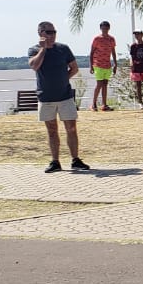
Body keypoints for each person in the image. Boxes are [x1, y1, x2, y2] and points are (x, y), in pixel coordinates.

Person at [27, 21, 90, 173]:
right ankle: (55, 161)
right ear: (41, 33)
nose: (52, 35)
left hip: (65, 96)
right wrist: (43, 50)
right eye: (49, 32)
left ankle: (75, 160)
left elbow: (74, 68)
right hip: (46, 98)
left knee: (72, 128)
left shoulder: (63, 48)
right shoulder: (34, 50)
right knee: (52, 130)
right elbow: (34, 66)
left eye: (54, 32)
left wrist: (63, 79)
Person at [89, 20, 118, 111]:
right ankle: (93, 104)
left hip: (107, 64)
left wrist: (115, 63)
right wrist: (91, 66)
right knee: (99, 84)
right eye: (103, 28)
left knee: (105, 84)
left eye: (106, 27)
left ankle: (104, 105)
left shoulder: (111, 39)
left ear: (109, 28)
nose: (104, 29)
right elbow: (91, 52)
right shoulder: (97, 39)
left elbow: (113, 52)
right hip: (98, 64)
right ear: (100, 28)